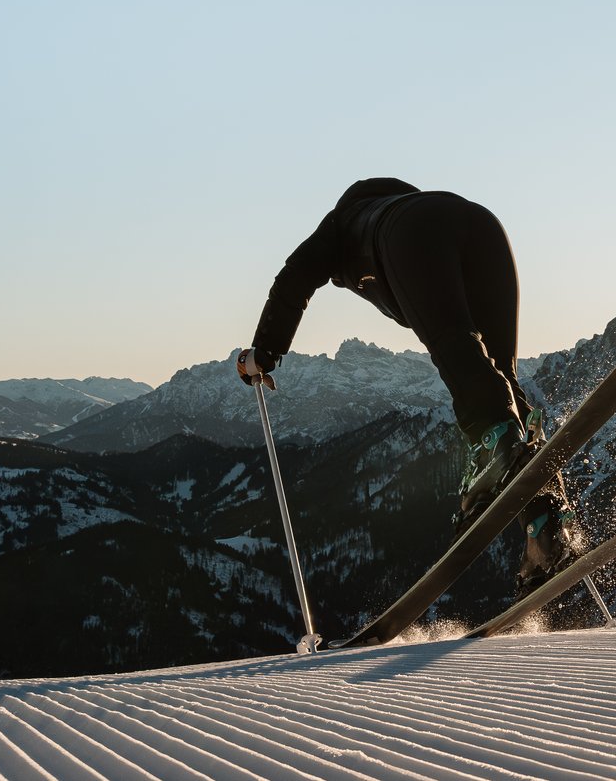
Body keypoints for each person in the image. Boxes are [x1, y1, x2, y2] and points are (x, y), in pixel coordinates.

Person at [235, 177, 576, 596]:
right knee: (500, 371)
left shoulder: (345, 223)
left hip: (415, 235)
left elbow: (295, 276)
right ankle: (547, 525)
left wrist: (264, 351)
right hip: (487, 228)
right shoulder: (401, 205)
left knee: (452, 342)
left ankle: (493, 446)